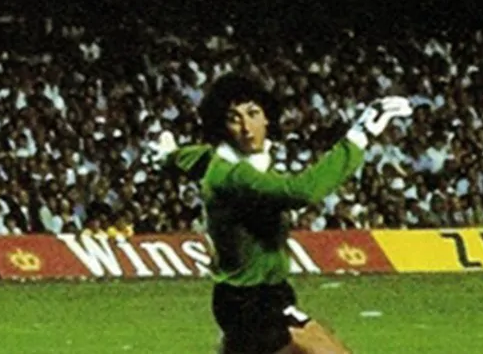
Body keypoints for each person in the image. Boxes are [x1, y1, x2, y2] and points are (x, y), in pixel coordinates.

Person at [151, 72, 412, 354]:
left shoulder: (220, 160)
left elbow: (193, 158)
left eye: (253, 114)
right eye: (233, 119)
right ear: (221, 127)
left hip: (266, 294)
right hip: (247, 303)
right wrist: (359, 136)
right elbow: (300, 192)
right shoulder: (233, 176)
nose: (246, 128)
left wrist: (169, 156)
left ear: (267, 117)